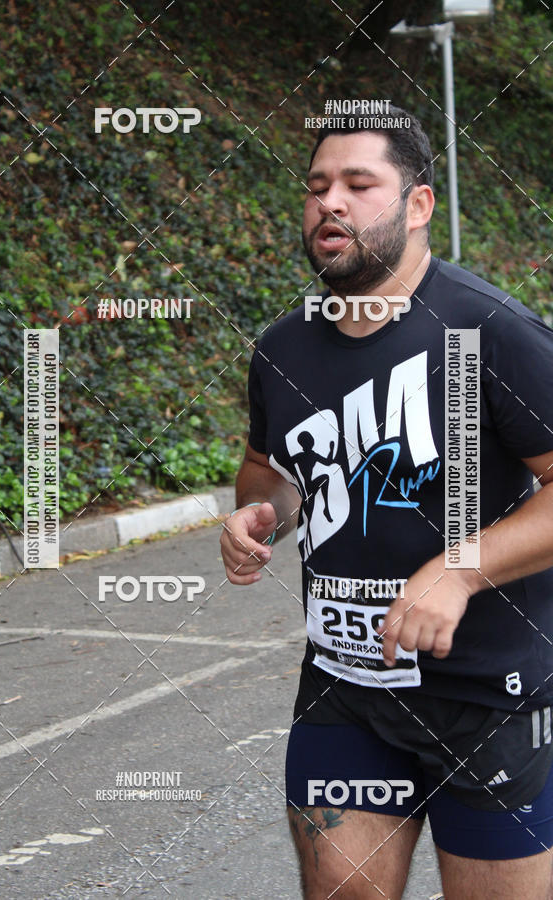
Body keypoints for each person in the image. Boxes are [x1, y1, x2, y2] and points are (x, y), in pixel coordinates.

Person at [219, 106, 553, 899]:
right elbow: (267, 470)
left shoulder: (489, 330)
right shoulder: (283, 346)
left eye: (358, 184)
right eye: (316, 187)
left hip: (487, 695)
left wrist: (462, 570)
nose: (329, 202)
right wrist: (258, 512)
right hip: (345, 692)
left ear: (418, 204)